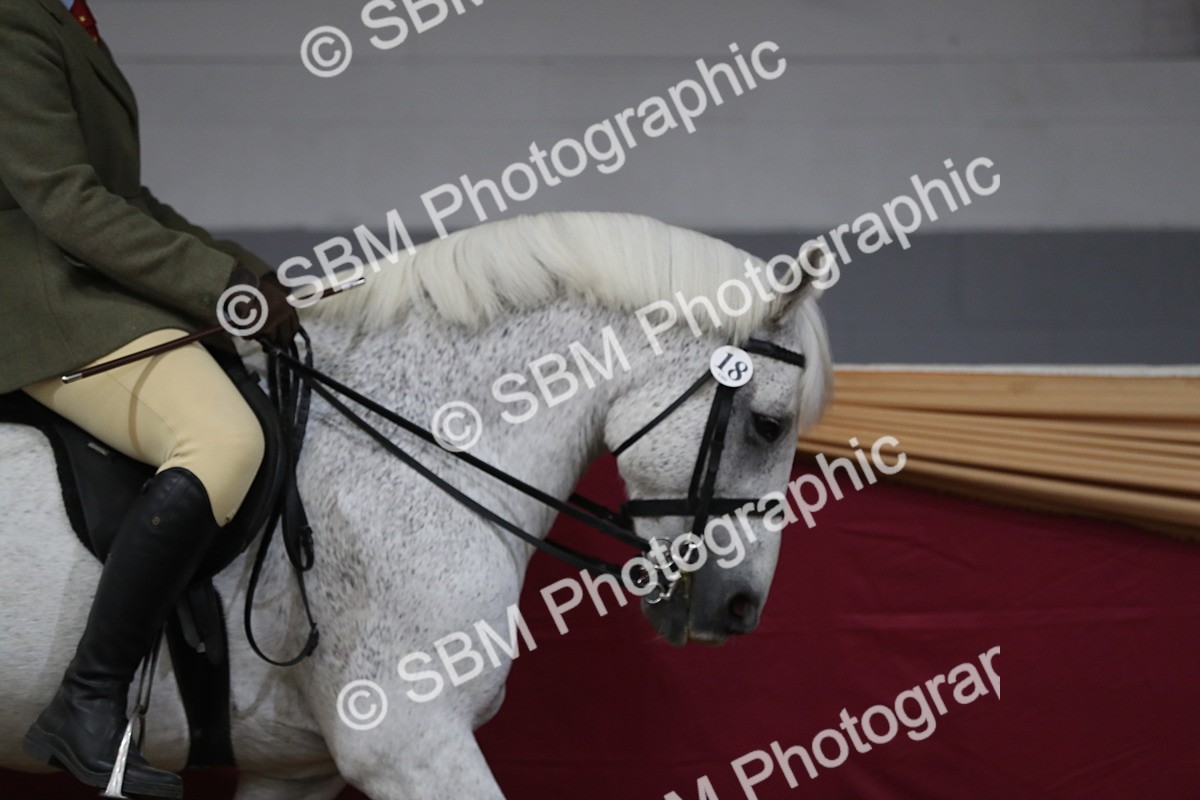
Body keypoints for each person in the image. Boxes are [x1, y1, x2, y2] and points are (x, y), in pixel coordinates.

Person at [0, 1, 299, 796]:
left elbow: (122, 197)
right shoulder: (10, 19)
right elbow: (62, 200)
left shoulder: (66, 16)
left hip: (85, 282)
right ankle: (87, 701)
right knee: (224, 441)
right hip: (36, 298)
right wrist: (215, 285)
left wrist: (243, 271)